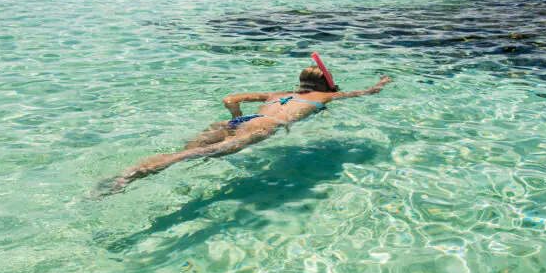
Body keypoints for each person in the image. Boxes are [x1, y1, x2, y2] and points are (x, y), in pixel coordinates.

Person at [99, 66, 392, 194]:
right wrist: (381, 83)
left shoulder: (274, 94)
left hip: (239, 121)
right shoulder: (325, 97)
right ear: (325, 85)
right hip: (266, 126)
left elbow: (230, 99)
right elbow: (365, 93)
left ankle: (136, 169)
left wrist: (237, 117)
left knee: (191, 148)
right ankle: (129, 176)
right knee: (197, 154)